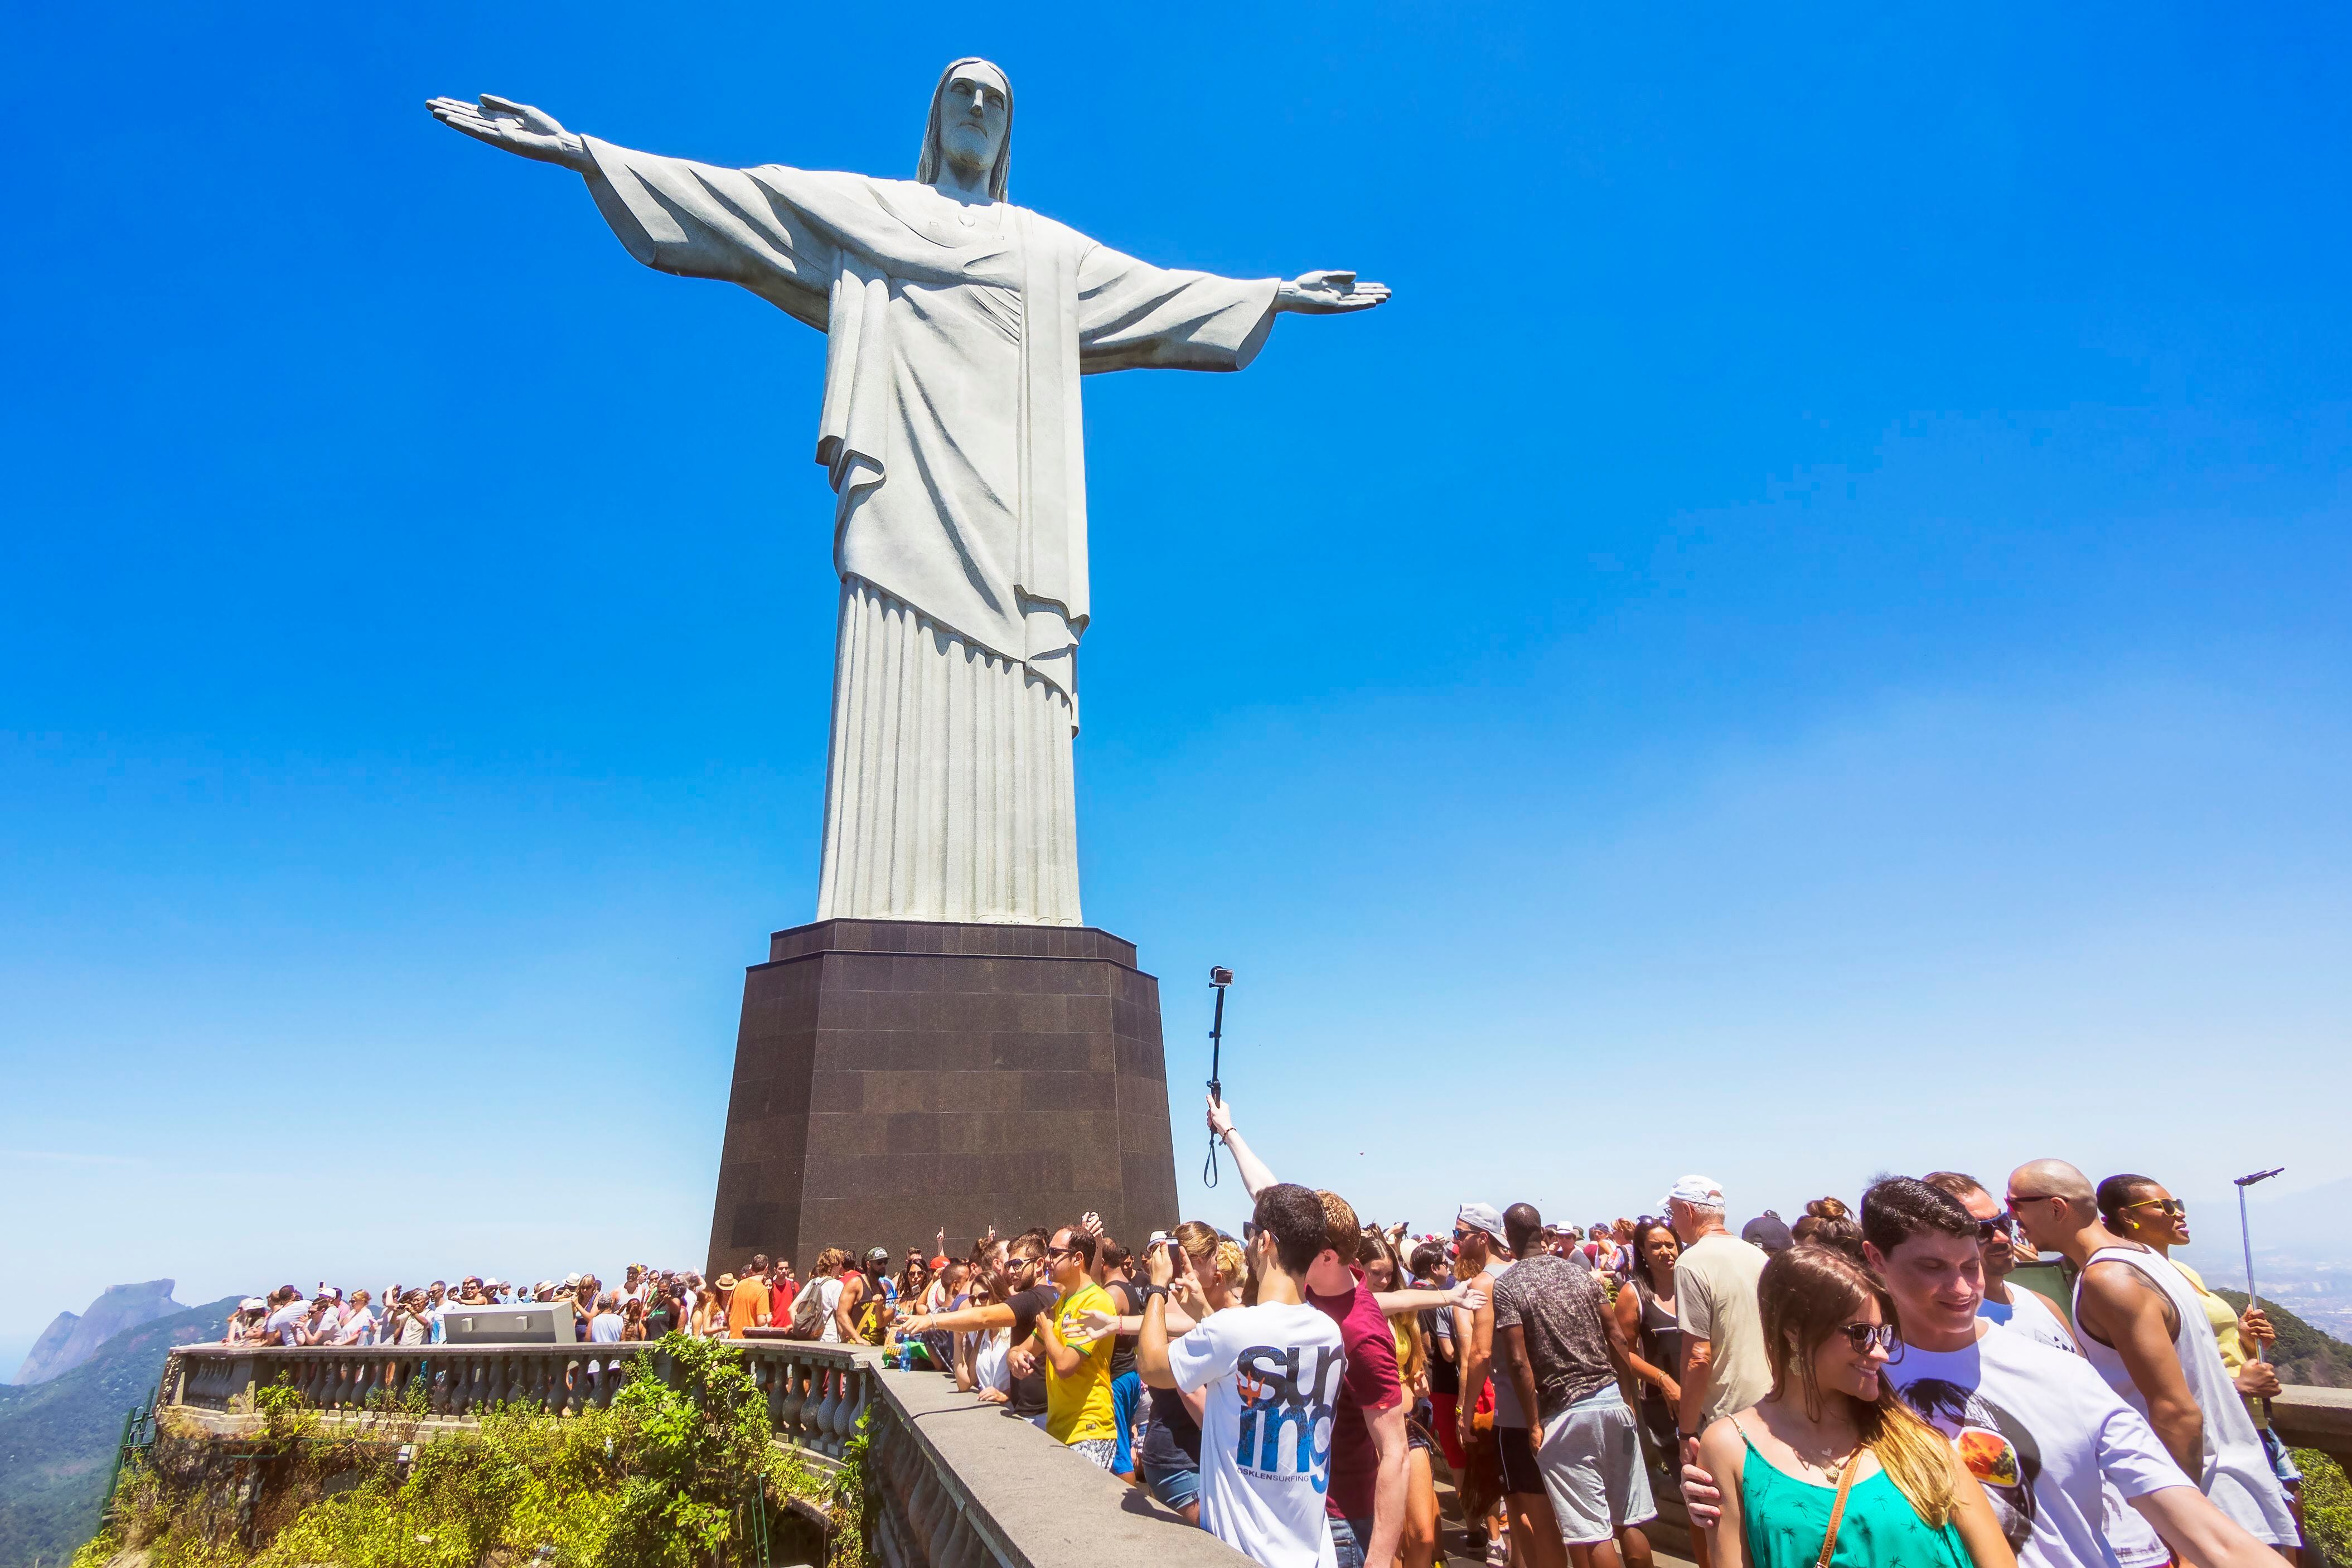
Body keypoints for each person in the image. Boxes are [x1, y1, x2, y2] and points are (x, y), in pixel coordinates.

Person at [2008, 1160, 2298, 1552]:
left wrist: (2176, 1531)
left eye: (2015, 1205)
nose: (2011, 1217)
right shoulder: (2146, 1259)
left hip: (2201, 1504)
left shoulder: (2109, 1279)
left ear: (2057, 1208)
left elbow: (2176, 1411)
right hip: (2229, 1491)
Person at [1695, 1245, 2012, 1568]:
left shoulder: (1915, 1438)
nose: (1881, 1353)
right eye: (1861, 1334)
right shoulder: (1730, 1447)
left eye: (1881, 1334)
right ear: (1794, 1329)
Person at [1139, 1183, 1349, 1568]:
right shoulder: (1329, 1333)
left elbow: (1151, 1365)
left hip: (1243, 1554)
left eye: (1250, 1232)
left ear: (1265, 1241)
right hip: (1314, 1554)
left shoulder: (1233, 1329)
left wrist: (1156, 1286)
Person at [1492, 1202, 1657, 1568]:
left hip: (1565, 1415)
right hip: (1611, 1400)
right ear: (1544, 1234)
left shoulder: (1507, 1286)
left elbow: (1519, 1362)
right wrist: (1627, 1397)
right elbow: (1617, 1337)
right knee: (1630, 1519)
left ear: (1509, 1237)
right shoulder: (1580, 1275)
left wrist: (1533, 1424)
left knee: (1593, 1529)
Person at [1669, 1175, 1771, 1499]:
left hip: (1727, 1419)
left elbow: (1699, 1355)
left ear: (1687, 1211)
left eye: (1673, 1213)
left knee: (1726, 1522)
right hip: (1772, 1406)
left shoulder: (1690, 1263)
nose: (1673, 1223)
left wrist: (1686, 1433)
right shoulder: (1759, 1257)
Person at [1920, 1173, 2075, 1353]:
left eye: (2002, 1222)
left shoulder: (2044, 1305)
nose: (2001, 1237)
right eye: (1980, 1230)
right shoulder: (1955, 1328)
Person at [1613, 1218, 1685, 1495]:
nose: (1665, 1252)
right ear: (1641, 1251)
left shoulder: (1692, 1286)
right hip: (1661, 1406)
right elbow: (1623, 1355)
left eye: (1670, 1244)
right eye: (1655, 1247)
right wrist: (1663, 1380)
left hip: (1703, 1397)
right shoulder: (1634, 1294)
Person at [727, 1255, 772, 1337]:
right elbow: (761, 1321)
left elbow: (727, 1311)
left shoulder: (739, 1284)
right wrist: (768, 1318)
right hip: (748, 1339)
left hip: (733, 1338)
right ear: (767, 1268)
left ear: (752, 1269)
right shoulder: (762, 1290)